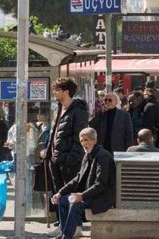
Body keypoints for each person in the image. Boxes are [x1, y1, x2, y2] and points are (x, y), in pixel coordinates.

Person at [43, 78, 88, 238]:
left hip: (69, 160)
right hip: (55, 159)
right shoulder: (59, 108)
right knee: (59, 195)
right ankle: (63, 226)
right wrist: (48, 152)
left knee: (71, 195)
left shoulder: (78, 110)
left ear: (66, 91)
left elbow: (80, 137)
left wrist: (71, 158)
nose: (54, 92)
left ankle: (75, 227)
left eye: (57, 89)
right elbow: (54, 133)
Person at [51, 128, 115, 239]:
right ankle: (64, 233)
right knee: (62, 200)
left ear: (94, 140)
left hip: (101, 197)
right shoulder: (87, 155)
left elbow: (101, 184)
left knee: (75, 205)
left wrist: (82, 196)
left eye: (86, 140)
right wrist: (60, 192)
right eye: (81, 141)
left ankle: (67, 237)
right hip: (88, 195)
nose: (84, 143)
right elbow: (78, 178)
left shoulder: (103, 156)